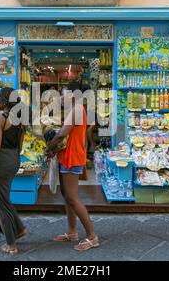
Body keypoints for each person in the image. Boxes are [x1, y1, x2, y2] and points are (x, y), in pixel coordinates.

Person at [45, 81, 99, 251]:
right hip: (67, 156)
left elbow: (62, 134)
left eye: (63, 93)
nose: (61, 97)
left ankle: (92, 237)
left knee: (72, 198)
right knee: (67, 196)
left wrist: (49, 148)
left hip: (72, 157)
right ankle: (72, 232)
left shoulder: (76, 110)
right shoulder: (74, 109)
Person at [0, 87, 27, 255]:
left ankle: (11, 244)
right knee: (1, 198)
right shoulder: (20, 119)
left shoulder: (0, 119)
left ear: (4, 101)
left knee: (2, 203)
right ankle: (20, 229)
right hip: (14, 160)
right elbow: (20, 146)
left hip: (1, 163)